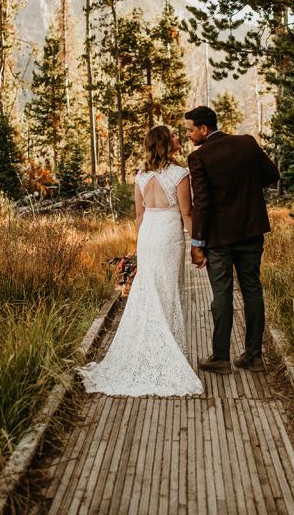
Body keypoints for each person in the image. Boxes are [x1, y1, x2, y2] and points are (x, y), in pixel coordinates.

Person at [78, 125, 204, 396]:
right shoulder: (180, 174)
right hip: (169, 236)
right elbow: (187, 214)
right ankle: (164, 352)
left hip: (148, 236)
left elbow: (139, 215)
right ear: (164, 143)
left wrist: (140, 245)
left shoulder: (141, 176)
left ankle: (148, 348)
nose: (176, 137)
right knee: (167, 290)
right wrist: (198, 245)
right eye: (171, 135)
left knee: (148, 292)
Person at [184, 105, 280, 375]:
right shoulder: (247, 143)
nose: (188, 135)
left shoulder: (199, 157)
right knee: (252, 289)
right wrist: (246, 187)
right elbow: (273, 174)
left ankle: (221, 358)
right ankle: (254, 356)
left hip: (219, 239)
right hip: (251, 231)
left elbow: (201, 203)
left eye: (190, 129)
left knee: (222, 294)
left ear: (204, 129)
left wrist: (196, 243)